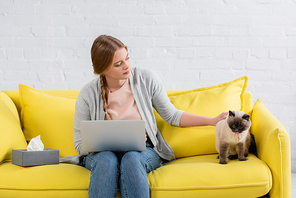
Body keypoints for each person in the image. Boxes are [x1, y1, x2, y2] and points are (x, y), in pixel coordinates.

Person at [73, 35, 228, 198]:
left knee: (131, 159)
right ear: (103, 70)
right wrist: (99, 143)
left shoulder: (146, 79)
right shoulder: (87, 94)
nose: (127, 66)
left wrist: (212, 121)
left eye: (127, 58)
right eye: (119, 64)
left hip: (143, 150)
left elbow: (172, 115)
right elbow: (78, 144)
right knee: (106, 160)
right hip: (101, 154)